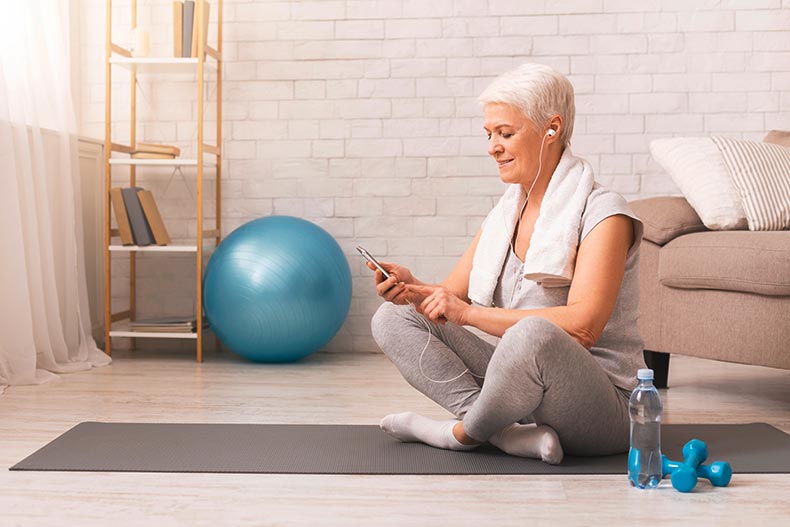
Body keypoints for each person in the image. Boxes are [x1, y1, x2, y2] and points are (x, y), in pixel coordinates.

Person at [367, 63, 646, 464]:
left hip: (603, 405)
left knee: (532, 333)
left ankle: (458, 433)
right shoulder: (506, 212)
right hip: (516, 389)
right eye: (489, 135)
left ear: (551, 128)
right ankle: (504, 433)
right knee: (392, 318)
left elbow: (583, 326)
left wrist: (466, 314)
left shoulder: (605, 213)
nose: (492, 147)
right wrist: (413, 289)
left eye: (505, 133)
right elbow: (450, 299)